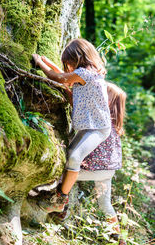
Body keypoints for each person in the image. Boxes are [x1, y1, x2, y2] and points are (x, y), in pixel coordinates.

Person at [32, 38, 111, 213]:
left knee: (75, 157)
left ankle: (60, 199)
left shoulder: (84, 73)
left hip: (98, 128)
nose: (68, 67)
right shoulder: (90, 74)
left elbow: (59, 77)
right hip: (90, 126)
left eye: (68, 62)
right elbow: (64, 77)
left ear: (77, 58)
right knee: (69, 157)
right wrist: (48, 62)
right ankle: (62, 206)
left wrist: (39, 63)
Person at [76, 82, 127, 243]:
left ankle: (58, 205)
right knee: (105, 203)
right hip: (108, 170)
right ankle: (120, 239)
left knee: (64, 176)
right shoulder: (114, 124)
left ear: (109, 101)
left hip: (98, 169)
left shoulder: (101, 121)